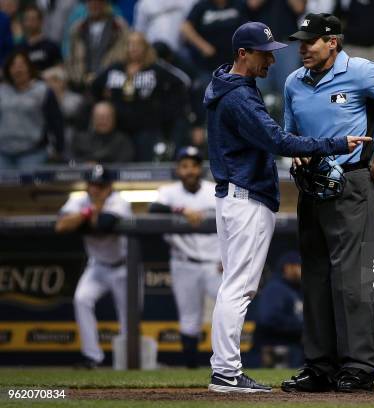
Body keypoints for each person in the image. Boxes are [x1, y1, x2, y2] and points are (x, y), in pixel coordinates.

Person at [203, 21, 371, 393]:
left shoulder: (226, 84)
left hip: (233, 195)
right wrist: (337, 144)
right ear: (243, 54)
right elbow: (279, 140)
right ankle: (226, 372)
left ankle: (223, 369)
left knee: (233, 285)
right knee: (239, 288)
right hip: (245, 196)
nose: (271, 60)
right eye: (264, 54)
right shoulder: (238, 96)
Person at [282, 13, 374, 393]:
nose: (303, 47)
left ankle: (359, 367)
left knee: (350, 280)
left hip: (351, 183)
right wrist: (293, 153)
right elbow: (288, 134)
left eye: (310, 41)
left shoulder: (360, 71)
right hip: (311, 187)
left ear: (333, 42)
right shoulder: (292, 82)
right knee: (314, 278)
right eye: (300, 41)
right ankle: (320, 368)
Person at [149, 146, 221, 368]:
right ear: (178, 170)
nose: (190, 170)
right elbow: (153, 209)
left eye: (194, 165)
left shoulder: (215, 190)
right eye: (185, 166)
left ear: (200, 168)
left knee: (228, 313)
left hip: (215, 264)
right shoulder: (169, 192)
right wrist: (181, 210)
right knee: (189, 319)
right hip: (184, 263)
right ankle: (191, 370)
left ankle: (228, 366)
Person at [55, 164, 132, 368]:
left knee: (128, 315)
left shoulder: (119, 202)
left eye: (101, 185)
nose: (96, 189)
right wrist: (90, 211)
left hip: (123, 267)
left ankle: (127, 362)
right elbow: (61, 225)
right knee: (81, 299)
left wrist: (81, 218)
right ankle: (92, 357)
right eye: (92, 185)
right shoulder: (78, 200)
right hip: (97, 266)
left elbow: (103, 225)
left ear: (109, 187)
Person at [91, 32, 188, 161]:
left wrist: (162, 109)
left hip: (146, 129)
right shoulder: (115, 68)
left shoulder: (155, 68)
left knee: (143, 165)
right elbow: (94, 85)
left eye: (137, 44)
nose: (133, 48)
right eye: (129, 44)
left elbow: (181, 83)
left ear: (145, 48)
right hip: (119, 130)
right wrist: (106, 102)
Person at [0, 50, 63, 169]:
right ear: (8, 70)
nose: (18, 70)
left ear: (29, 68)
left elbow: (56, 122)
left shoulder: (43, 91)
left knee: (30, 187)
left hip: (33, 152)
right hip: (3, 153)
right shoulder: (1, 91)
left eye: (21, 65)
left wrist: (58, 149)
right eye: (14, 66)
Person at [254, 251, 304, 369]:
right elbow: (268, 318)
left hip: (293, 346)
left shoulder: (297, 289)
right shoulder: (275, 288)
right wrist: (300, 327)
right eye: (298, 266)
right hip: (277, 347)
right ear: (287, 267)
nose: (300, 270)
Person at [66, 0, 129, 89]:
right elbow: (71, 59)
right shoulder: (77, 28)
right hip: (81, 86)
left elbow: (124, 56)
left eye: (98, 2)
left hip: (111, 85)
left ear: (105, 4)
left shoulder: (119, 27)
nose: (94, 5)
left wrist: (100, 77)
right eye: (90, 2)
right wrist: (80, 78)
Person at [19, 5, 62, 72]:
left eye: (33, 19)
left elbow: (60, 69)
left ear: (41, 21)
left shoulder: (51, 46)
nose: (29, 23)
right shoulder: (19, 48)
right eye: (27, 19)